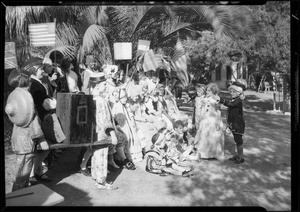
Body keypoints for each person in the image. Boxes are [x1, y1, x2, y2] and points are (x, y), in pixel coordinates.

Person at [5, 68, 48, 191]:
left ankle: (17, 193)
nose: (31, 82)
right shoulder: (26, 97)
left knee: (19, 167)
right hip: (27, 138)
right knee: (24, 169)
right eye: (29, 80)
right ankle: (19, 195)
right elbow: (34, 121)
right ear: (25, 81)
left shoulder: (14, 94)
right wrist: (42, 139)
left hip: (17, 135)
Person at [211, 84, 246, 164]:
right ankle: (238, 155)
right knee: (236, 140)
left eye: (234, 92)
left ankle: (241, 157)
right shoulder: (234, 100)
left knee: (239, 141)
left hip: (238, 124)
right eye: (231, 91)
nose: (232, 93)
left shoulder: (238, 100)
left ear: (238, 93)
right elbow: (230, 106)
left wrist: (220, 99)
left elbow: (231, 105)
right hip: (233, 123)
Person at [194, 83, 225, 161]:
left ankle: (214, 153)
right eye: (207, 90)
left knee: (213, 136)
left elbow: (218, 111)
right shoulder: (205, 98)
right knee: (204, 135)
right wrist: (200, 118)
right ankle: (204, 153)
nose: (207, 92)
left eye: (209, 90)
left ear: (213, 91)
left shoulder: (216, 99)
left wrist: (218, 122)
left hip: (213, 119)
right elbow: (203, 110)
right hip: (205, 118)